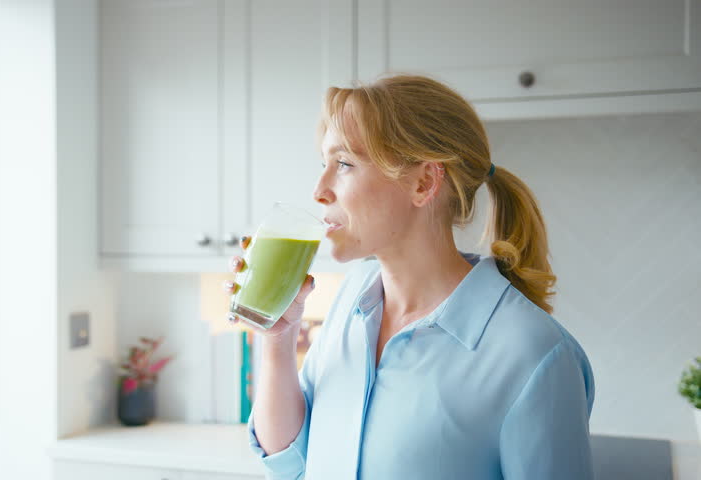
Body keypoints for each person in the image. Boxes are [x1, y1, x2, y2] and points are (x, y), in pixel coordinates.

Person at [224, 74, 595, 479]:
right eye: (324, 163)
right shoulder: (351, 299)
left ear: (423, 182)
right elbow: (291, 463)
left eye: (344, 164)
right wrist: (277, 339)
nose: (319, 189)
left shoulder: (534, 354)